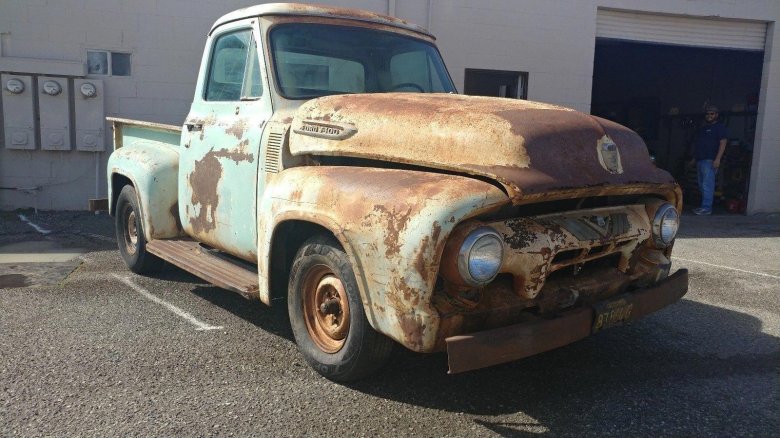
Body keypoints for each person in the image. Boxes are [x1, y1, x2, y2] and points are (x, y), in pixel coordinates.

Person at [691, 105, 728, 215]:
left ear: (716, 115)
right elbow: (699, 145)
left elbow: (723, 143)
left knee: (707, 185)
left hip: (710, 160)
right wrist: (694, 159)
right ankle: (704, 206)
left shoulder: (720, 128)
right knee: (701, 184)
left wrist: (717, 159)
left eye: (712, 114)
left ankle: (707, 208)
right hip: (700, 160)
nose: (709, 116)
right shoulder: (703, 129)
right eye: (707, 114)